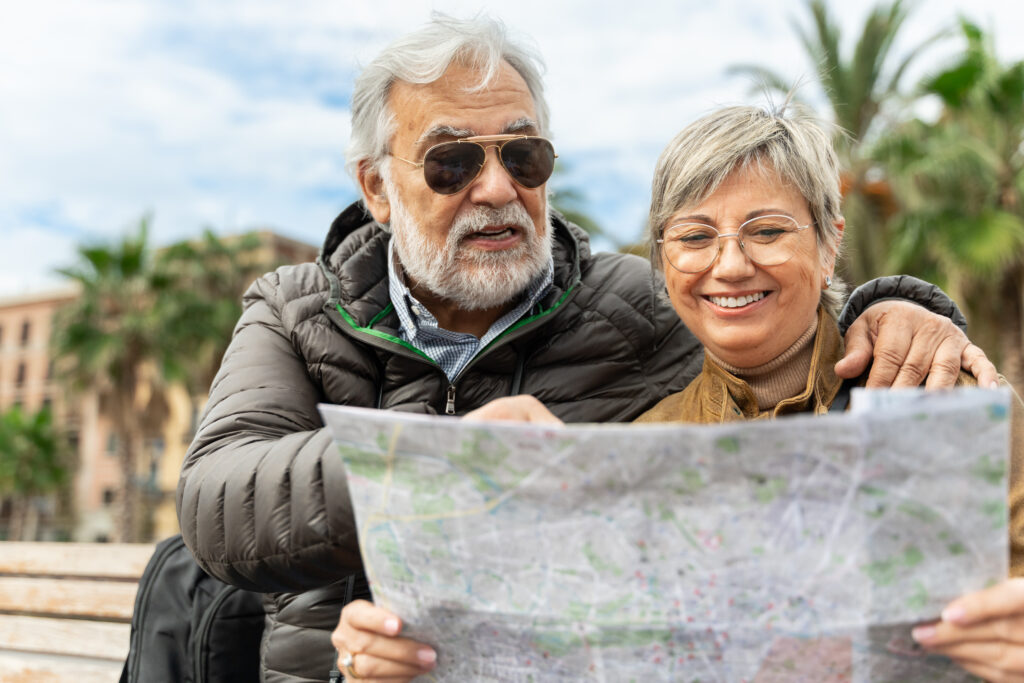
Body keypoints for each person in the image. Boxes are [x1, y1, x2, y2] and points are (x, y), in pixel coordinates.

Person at [177, 15, 998, 683]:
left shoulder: (633, 301)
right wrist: (445, 462)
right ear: (375, 188)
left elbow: (759, 307)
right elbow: (218, 507)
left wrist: (896, 304)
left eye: (522, 154)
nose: (496, 187)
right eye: (452, 160)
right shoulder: (293, 310)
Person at [331, 102, 1024, 682]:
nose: (729, 264)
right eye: (694, 236)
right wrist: (397, 657)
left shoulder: (948, 401)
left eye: (768, 230)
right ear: (663, 262)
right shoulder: (637, 452)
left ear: (830, 243)